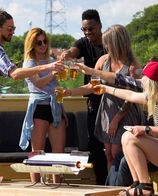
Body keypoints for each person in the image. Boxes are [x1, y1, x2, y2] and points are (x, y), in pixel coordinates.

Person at [0, 7, 64, 196]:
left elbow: (4, 70)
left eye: (14, 27)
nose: (13, 31)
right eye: (9, 28)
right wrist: (49, 66)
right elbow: (14, 74)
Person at [93, 61, 158, 196]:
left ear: (150, 80)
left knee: (130, 137)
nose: (141, 79)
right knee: (126, 135)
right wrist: (105, 88)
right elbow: (130, 95)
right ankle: (137, 183)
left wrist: (146, 129)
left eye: (143, 76)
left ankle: (145, 185)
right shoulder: (155, 98)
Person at [60, 9, 108, 185]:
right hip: (93, 97)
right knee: (94, 143)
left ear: (100, 25)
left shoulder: (110, 43)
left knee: (113, 144)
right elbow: (74, 50)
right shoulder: (83, 43)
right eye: (84, 30)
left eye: (91, 29)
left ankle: (116, 183)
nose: (88, 33)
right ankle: (101, 182)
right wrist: (67, 54)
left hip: (113, 97)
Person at [92, 24, 144, 171]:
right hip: (107, 110)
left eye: (108, 42)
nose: (105, 46)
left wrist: (117, 117)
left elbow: (136, 94)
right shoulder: (103, 61)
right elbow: (92, 84)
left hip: (125, 112)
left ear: (117, 43)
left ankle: (123, 186)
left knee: (117, 154)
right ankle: (112, 188)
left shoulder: (133, 66)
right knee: (108, 154)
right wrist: (69, 92)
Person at [19, 27, 67, 184]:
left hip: (55, 106)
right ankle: (35, 189)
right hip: (39, 106)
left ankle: (58, 191)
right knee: (37, 153)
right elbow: (38, 83)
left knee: (58, 153)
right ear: (32, 44)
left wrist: (63, 110)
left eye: (45, 41)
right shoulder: (29, 63)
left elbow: (57, 85)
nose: (43, 45)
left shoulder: (52, 61)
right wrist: (53, 72)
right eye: (38, 42)